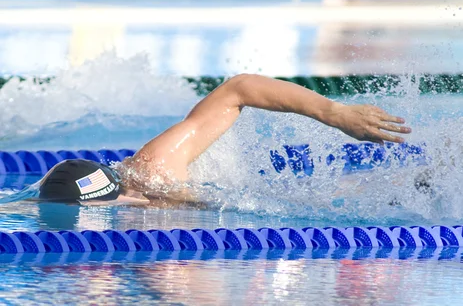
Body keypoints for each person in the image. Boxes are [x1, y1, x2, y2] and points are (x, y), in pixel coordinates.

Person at [2, 74, 412, 206]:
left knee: (327, 195)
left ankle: (423, 177)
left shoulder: (155, 168)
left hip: (243, 190)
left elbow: (238, 88)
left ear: (119, 199)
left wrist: (333, 112)